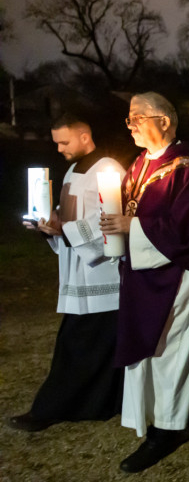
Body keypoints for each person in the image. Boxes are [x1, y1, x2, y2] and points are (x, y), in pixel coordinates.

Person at [100, 92, 189, 473]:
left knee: (169, 352)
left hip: (180, 272)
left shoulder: (188, 171)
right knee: (161, 350)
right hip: (143, 272)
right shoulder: (140, 165)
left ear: (165, 121)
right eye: (129, 118)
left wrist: (132, 226)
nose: (131, 125)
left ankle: (165, 430)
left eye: (138, 117)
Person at [8, 114, 125, 432]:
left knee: (80, 346)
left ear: (85, 136)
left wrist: (65, 230)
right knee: (89, 346)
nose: (59, 148)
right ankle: (98, 405)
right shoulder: (74, 171)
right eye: (56, 142)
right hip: (77, 269)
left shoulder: (109, 169)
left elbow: (110, 220)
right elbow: (66, 214)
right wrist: (46, 224)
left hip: (102, 275)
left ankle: (49, 409)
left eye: (64, 141)